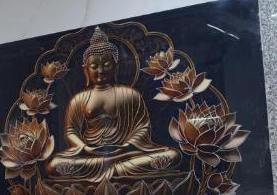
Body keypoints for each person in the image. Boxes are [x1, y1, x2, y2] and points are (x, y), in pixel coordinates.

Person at [46, 27, 179, 182]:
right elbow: (70, 132)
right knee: (54, 165)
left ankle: (111, 168)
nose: (101, 70)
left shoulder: (130, 94)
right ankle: (114, 170)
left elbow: (142, 128)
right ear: (85, 70)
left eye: (107, 64)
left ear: (115, 66)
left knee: (172, 155)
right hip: (91, 156)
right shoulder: (79, 99)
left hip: (127, 154)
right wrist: (85, 148)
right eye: (94, 66)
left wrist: (126, 146)